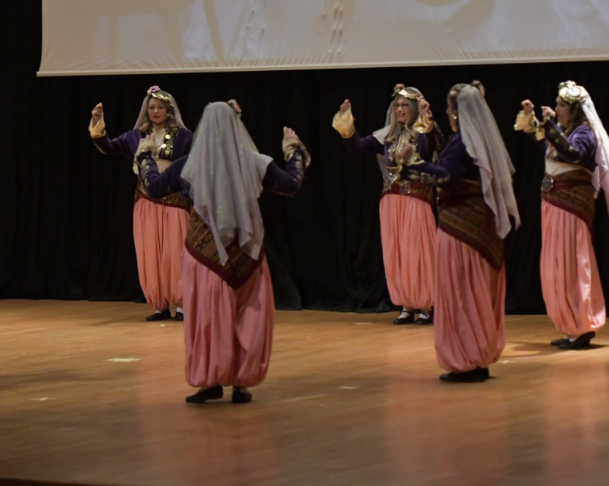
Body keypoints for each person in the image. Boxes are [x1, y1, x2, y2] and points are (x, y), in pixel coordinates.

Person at [137, 100, 308, 403]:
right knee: (247, 317)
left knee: (207, 318)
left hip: (205, 258)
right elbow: (292, 184)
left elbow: (153, 187)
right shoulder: (256, 163)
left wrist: (147, 156)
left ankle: (210, 381)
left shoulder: (188, 165)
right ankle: (240, 383)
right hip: (248, 255)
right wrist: (293, 150)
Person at [401, 82, 519, 383]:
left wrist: (411, 164)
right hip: (483, 228)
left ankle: (467, 359)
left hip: (460, 231)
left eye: (449, 108)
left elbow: (448, 175)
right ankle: (479, 355)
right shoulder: (481, 140)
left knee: (461, 291)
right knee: (477, 290)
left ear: (456, 110)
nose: (448, 112)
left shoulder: (463, 140)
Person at [515, 80, 609, 350]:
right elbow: (551, 150)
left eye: (561, 105)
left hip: (570, 209)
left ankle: (582, 324)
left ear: (574, 109)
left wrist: (549, 126)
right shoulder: (567, 132)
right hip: (554, 207)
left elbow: (574, 154)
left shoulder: (585, 134)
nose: (556, 108)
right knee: (558, 266)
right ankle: (571, 326)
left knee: (572, 264)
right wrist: (533, 121)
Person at [333, 84, 444, 323]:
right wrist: (346, 124)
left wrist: (426, 119)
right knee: (397, 252)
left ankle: (425, 303)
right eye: (397, 105)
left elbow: (426, 152)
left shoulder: (426, 132)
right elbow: (358, 148)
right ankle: (406, 304)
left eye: (405, 105)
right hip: (390, 200)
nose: (401, 109)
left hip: (416, 198)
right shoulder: (388, 135)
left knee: (418, 251)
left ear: (414, 107)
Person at [90, 85, 194, 321]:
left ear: (169, 110)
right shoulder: (136, 136)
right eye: (152, 108)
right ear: (146, 111)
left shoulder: (185, 136)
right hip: (146, 202)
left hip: (174, 201)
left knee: (175, 253)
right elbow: (109, 147)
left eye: (160, 107)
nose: (156, 111)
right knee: (150, 253)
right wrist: (98, 122)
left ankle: (182, 305)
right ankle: (159, 305)